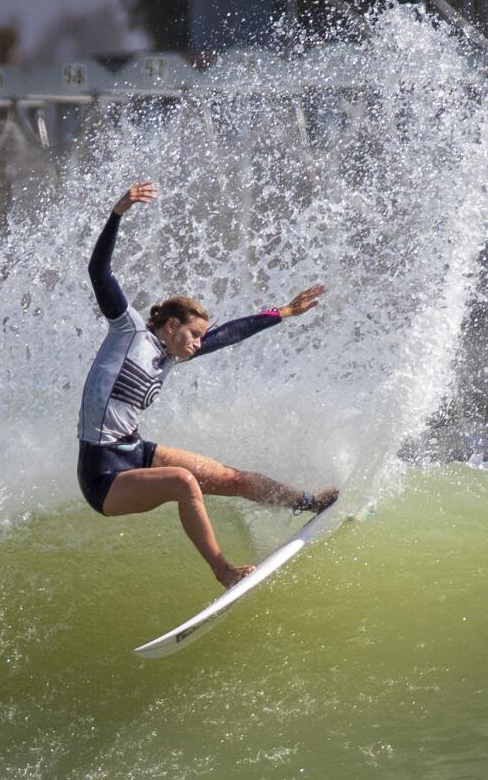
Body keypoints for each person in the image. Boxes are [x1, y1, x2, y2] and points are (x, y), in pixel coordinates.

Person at [76, 181, 338, 588]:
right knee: (184, 482)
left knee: (234, 479)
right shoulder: (126, 331)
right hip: (102, 475)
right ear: (169, 325)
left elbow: (231, 333)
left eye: (200, 337)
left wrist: (283, 312)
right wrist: (117, 214)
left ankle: (309, 502)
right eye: (193, 334)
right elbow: (99, 272)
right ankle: (223, 571)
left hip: (135, 451)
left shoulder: (174, 355)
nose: (199, 344)